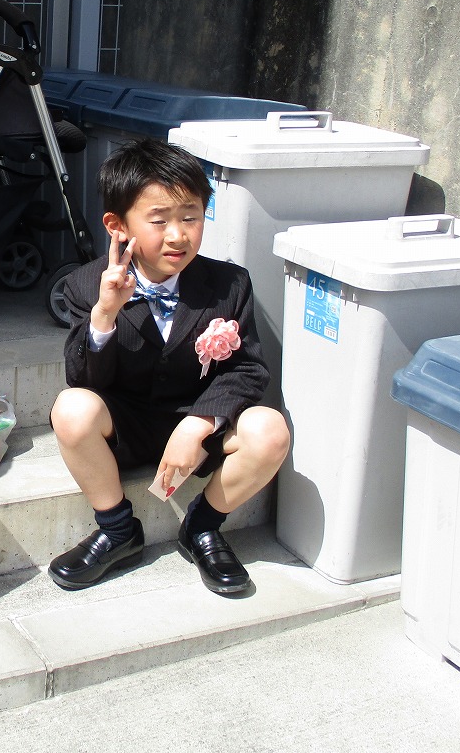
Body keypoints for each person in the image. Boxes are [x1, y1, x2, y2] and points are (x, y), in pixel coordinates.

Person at [48, 138, 290, 596]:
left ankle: (202, 527)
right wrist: (105, 313)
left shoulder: (229, 282)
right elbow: (84, 381)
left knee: (270, 430)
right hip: (128, 424)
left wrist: (198, 423)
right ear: (118, 225)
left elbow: (248, 369)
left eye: (191, 217)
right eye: (159, 221)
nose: (178, 235)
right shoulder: (86, 284)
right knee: (72, 408)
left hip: (200, 424)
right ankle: (118, 529)